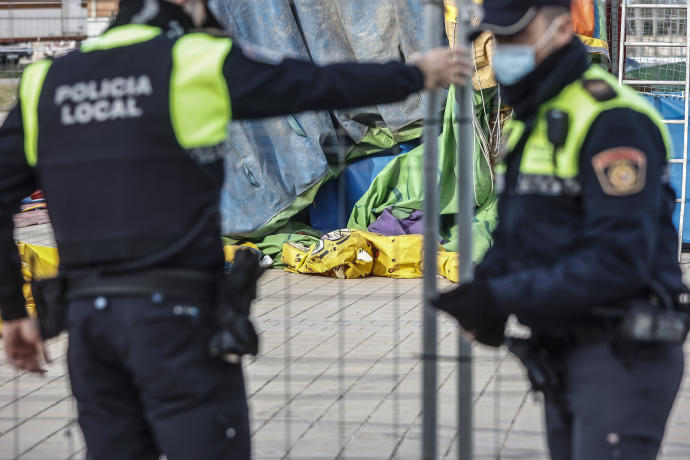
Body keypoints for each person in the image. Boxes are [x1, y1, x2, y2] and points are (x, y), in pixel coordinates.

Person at [0, 0, 472, 458]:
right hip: (178, 326)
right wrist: (414, 74)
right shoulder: (192, 63)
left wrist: (11, 311)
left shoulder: (44, 83)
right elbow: (314, 84)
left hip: (90, 330)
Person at [433, 1, 686, 459]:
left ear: (564, 28)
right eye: (498, 39)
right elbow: (517, 233)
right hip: (563, 350)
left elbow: (619, 259)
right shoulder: (534, 119)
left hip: (622, 355)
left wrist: (506, 295)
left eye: (518, 35)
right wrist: (484, 292)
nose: (505, 51)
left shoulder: (612, 119)